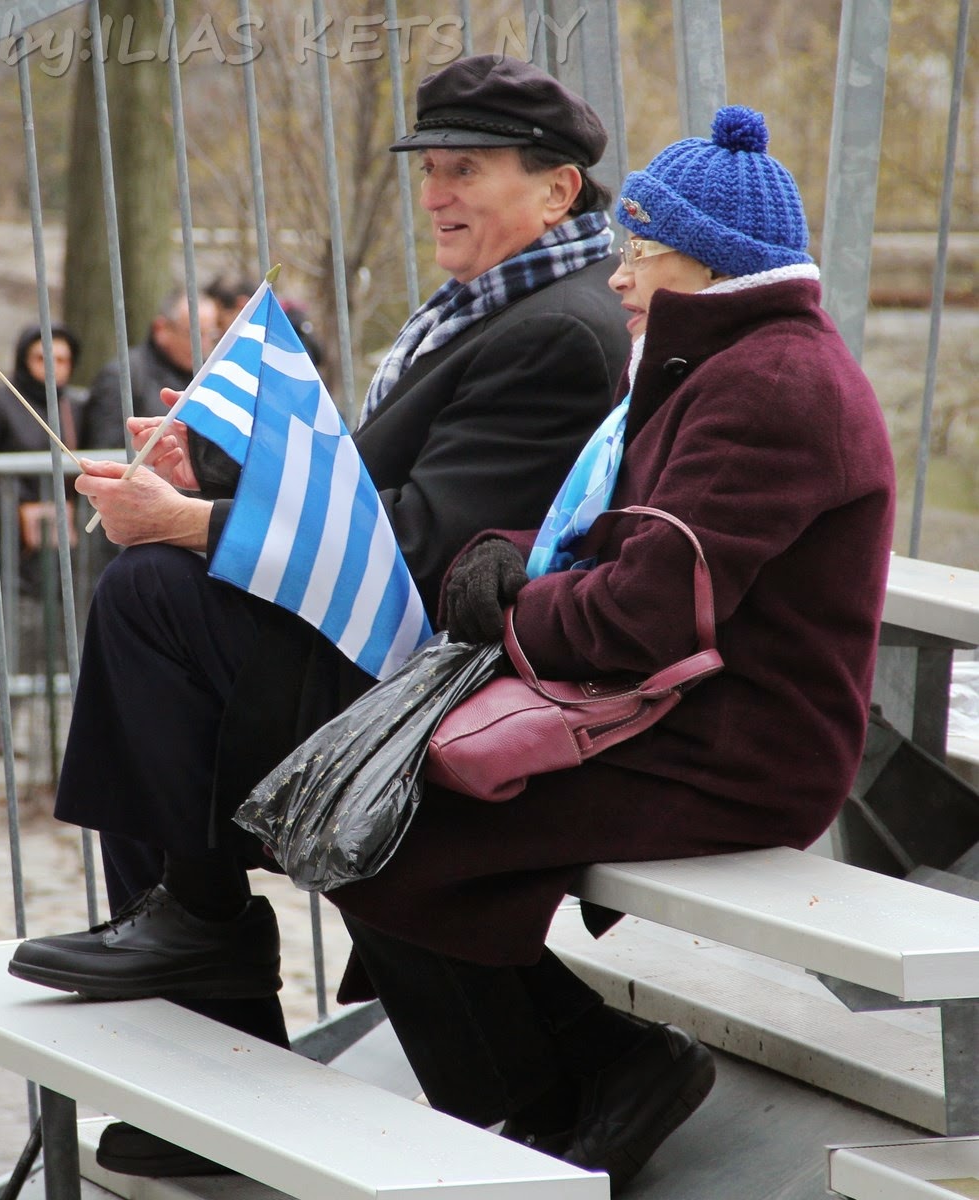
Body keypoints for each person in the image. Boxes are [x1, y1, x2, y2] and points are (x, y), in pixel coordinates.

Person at [8, 54, 632, 1178]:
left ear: (557, 190)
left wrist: (197, 522)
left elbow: (425, 545)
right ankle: (204, 974)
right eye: (429, 170)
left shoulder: (558, 330)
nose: (435, 193)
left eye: (465, 169)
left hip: (442, 673)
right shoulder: (498, 305)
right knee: (155, 638)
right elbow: (376, 494)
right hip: (402, 653)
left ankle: (207, 957)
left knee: (152, 602)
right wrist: (224, 463)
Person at [305, 106, 897, 1190]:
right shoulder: (722, 364)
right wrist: (508, 557)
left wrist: (510, 609)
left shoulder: (771, 386)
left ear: (708, 265)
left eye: (640, 252)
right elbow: (618, 544)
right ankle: (569, 1086)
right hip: (676, 714)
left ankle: (580, 1088)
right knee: (370, 808)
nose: (617, 276)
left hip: (740, 748)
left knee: (384, 822)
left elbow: (642, 613)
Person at [0, 324, 82, 757]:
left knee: (36, 633)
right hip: (8, 539)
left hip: (54, 538)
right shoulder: (3, 403)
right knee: (16, 631)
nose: (53, 368)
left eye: (62, 360)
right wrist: (14, 510)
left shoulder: (70, 406)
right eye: (42, 359)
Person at [75, 288, 220, 452]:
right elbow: (106, 451)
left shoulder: (211, 376)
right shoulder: (123, 377)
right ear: (161, 329)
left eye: (211, 335)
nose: (203, 345)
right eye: (193, 334)